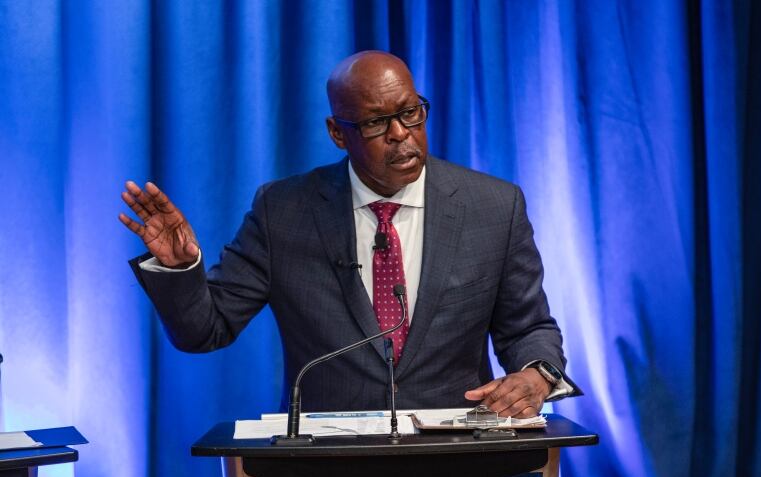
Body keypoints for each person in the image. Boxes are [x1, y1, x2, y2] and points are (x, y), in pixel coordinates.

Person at [120, 50, 581, 416]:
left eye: (411, 113)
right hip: (324, 467)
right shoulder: (283, 212)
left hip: (458, 457)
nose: (401, 134)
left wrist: (537, 375)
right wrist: (180, 268)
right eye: (377, 122)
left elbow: (529, 326)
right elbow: (206, 332)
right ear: (338, 133)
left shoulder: (494, 207)